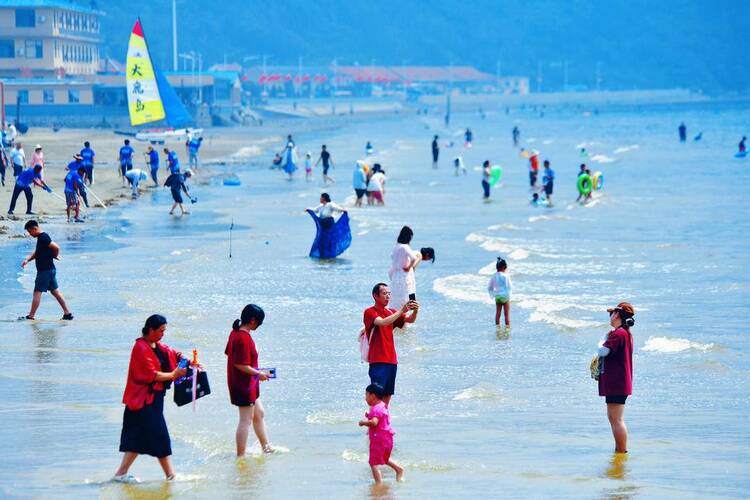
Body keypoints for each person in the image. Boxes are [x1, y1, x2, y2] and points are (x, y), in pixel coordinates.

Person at [113, 314, 188, 483]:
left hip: (152, 400)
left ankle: (120, 474)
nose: (163, 334)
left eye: (164, 331)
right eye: (161, 331)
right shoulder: (140, 347)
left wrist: (186, 360)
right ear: (151, 330)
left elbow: (173, 353)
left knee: (136, 439)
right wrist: (174, 374)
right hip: (144, 401)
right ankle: (171, 476)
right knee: (160, 436)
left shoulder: (156, 345)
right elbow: (151, 375)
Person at [225, 304, 274, 456]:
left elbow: (230, 355)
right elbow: (240, 364)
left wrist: (256, 372)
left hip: (246, 383)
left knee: (259, 413)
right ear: (253, 320)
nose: (259, 325)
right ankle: (240, 456)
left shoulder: (235, 333)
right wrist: (257, 374)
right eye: (260, 322)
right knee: (245, 421)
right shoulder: (243, 338)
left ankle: (266, 447)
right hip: (243, 385)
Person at [364, 284, 419, 408]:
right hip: (377, 360)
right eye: (384, 293)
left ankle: (382, 423)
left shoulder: (391, 312)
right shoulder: (369, 312)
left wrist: (415, 310)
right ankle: (374, 422)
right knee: (376, 397)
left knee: (387, 396)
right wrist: (401, 311)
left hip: (391, 360)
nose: (388, 296)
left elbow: (410, 320)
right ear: (375, 296)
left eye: (389, 293)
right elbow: (382, 322)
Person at [595, 302, 635, 454]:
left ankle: (622, 451)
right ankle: (619, 450)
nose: (610, 316)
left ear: (617, 315)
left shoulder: (618, 333)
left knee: (616, 419)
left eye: (611, 313)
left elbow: (603, 351)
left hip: (617, 383)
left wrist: (602, 340)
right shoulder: (624, 333)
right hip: (618, 383)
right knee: (614, 418)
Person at [20, 220, 73, 320]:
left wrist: (54, 255)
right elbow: (38, 252)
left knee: (37, 292)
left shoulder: (43, 237)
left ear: (34, 229)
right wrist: (28, 260)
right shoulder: (41, 238)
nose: (29, 234)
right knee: (55, 292)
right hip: (50, 270)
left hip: (44, 271)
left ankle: (31, 316)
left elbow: (56, 247)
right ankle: (67, 313)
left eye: (30, 232)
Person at [358, 383, 404, 483]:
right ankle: (398, 469)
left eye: (366, 395)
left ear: (373, 396)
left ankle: (379, 485)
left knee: (373, 463)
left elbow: (374, 423)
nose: (365, 398)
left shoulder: (375, 409)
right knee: (384, 458)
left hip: (378, 440)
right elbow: (380, 418)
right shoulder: (383, 406)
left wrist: (363, 423)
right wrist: (369, 415)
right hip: (388, 439)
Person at [389, 226, 422, 310]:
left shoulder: (396, 246)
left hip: (395, 274)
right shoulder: (405, 247)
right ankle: (407, 316)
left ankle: (395, 316)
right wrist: (409, 267)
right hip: (404, 274)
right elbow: (413, 258)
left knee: (396, 296)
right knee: (407, 294)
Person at [487, 257, 512, 328]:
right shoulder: (506, 275)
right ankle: (507, 328)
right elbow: (509, 286)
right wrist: (509, 296)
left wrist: (493, 294)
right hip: (505, 297)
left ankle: (497, 327)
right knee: (506, 314)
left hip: (498, 297)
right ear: (504, 267)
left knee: (498, 313)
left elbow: (489, 287)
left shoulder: (494, 276)